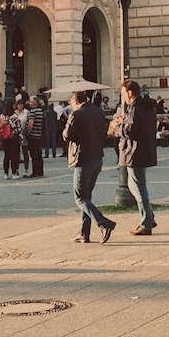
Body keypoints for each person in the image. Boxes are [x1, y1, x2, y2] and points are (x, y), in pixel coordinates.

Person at [64, 90, 115, 243]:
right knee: (87, 197)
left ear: (75, 101)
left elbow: (67, 136)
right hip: (97, 157)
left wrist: (68, 123)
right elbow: (105, 130)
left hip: (82, 158)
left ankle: (103, 223)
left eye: (71, 103)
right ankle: (84, 233)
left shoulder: (77, 114)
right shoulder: (99, 112)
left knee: (79, 198)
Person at [116, 78, 157, 235]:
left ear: (130, 92)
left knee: (138, 187)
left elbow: (130, 131)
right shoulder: (147, 106)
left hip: (134, 151)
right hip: (145, 149)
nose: (123, 97)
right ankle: (149, 217)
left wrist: (118, 126)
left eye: (123, 94)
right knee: (137, 186)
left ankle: (146, 223)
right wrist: (124, 121)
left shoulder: (135, 108)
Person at [25, 96, 46, 178]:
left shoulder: (32, 112)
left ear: (34, 102)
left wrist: (27, 133)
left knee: (33, 154)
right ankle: (40, 171)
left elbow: (30, 123)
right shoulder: (41, 111)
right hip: (39, 135)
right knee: (39, 153)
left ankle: (35, 171)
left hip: (33, 135)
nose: (29, 103)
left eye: (30, 101)